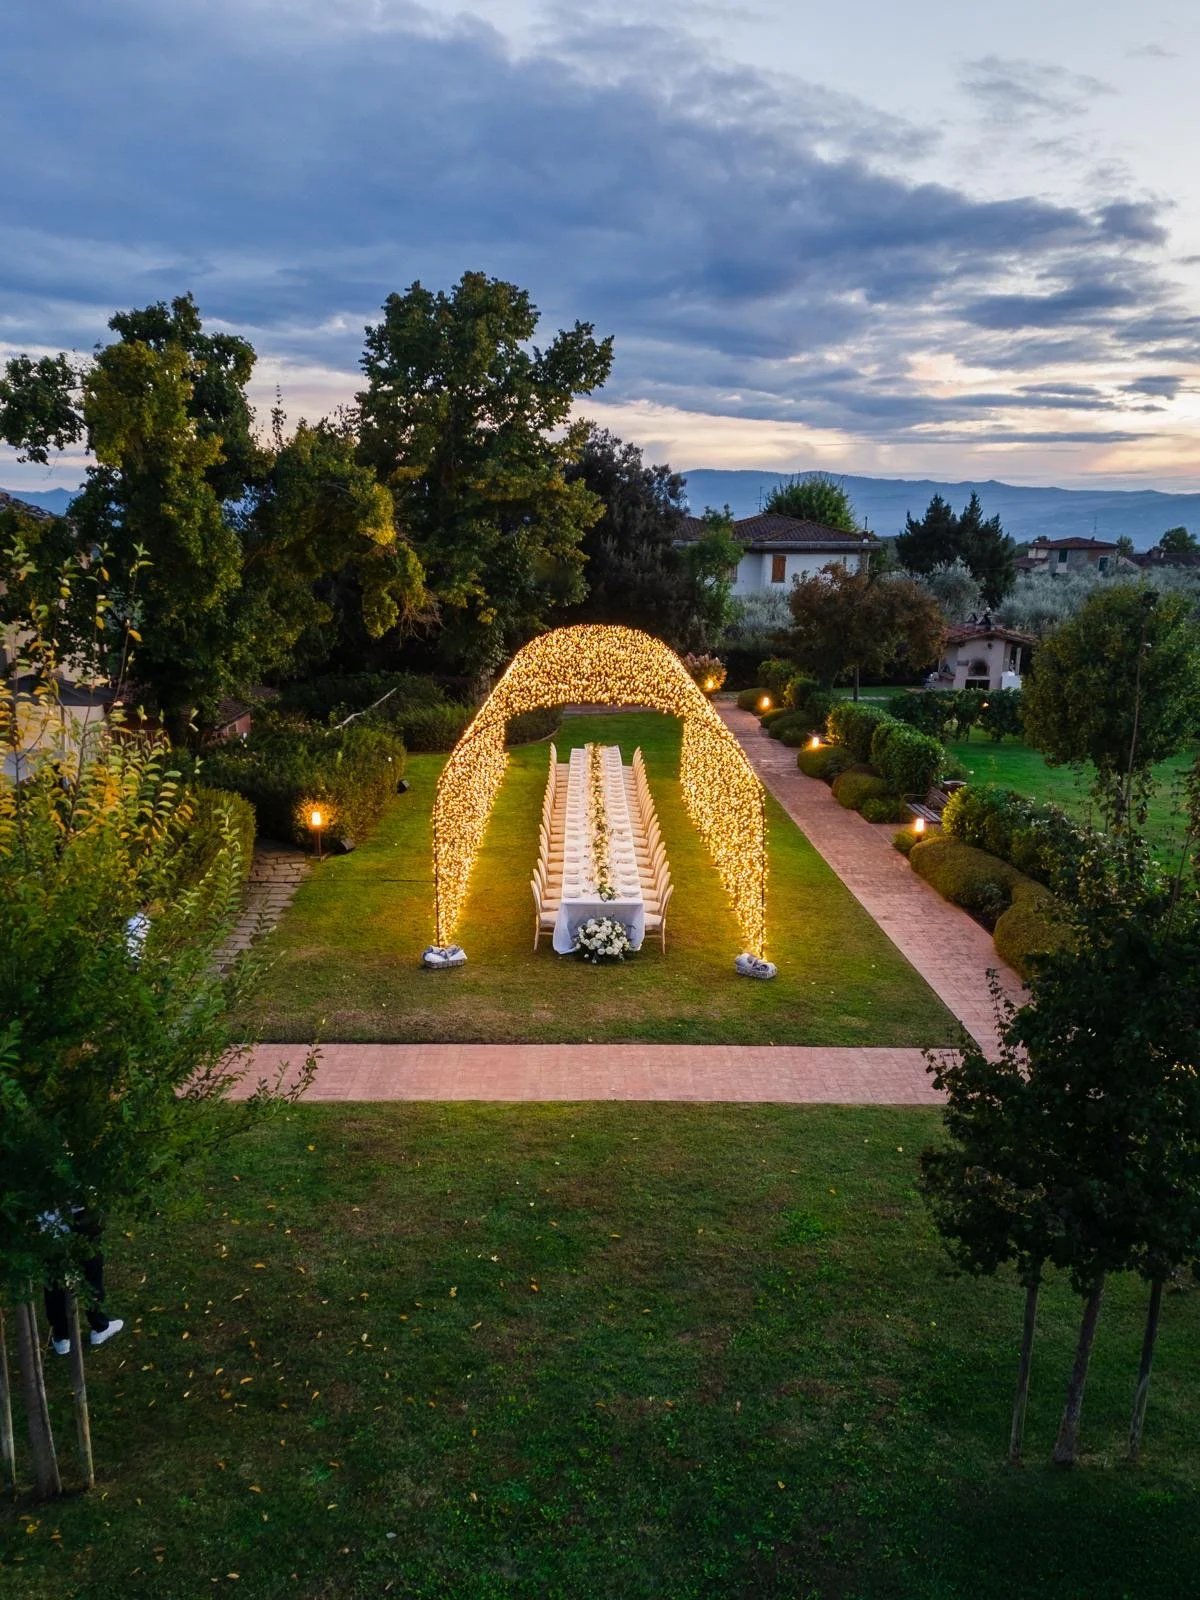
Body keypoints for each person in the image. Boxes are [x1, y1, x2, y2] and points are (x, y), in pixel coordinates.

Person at [42, 1206, 124, 1357]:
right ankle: (99, 1326)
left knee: (54, 1279)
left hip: (48, 1222)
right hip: (78, 1214)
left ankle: (61, 1336)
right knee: (91, 1269)